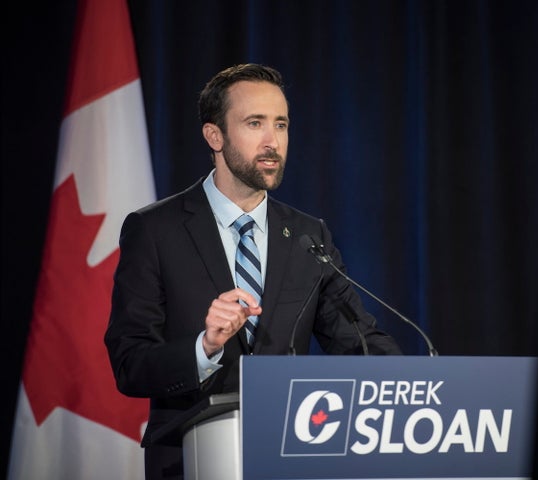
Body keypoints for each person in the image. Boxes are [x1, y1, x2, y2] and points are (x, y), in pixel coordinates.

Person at [104, 63, 402, 479]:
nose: (272, 141)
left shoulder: (306, 234)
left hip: (290, 457)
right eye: (254, 123)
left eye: (280, 124)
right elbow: (129, 361)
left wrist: (418, 388)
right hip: (190, 461)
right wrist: (203, 347)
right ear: (215, 136)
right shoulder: (155, 230)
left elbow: (357, 341)